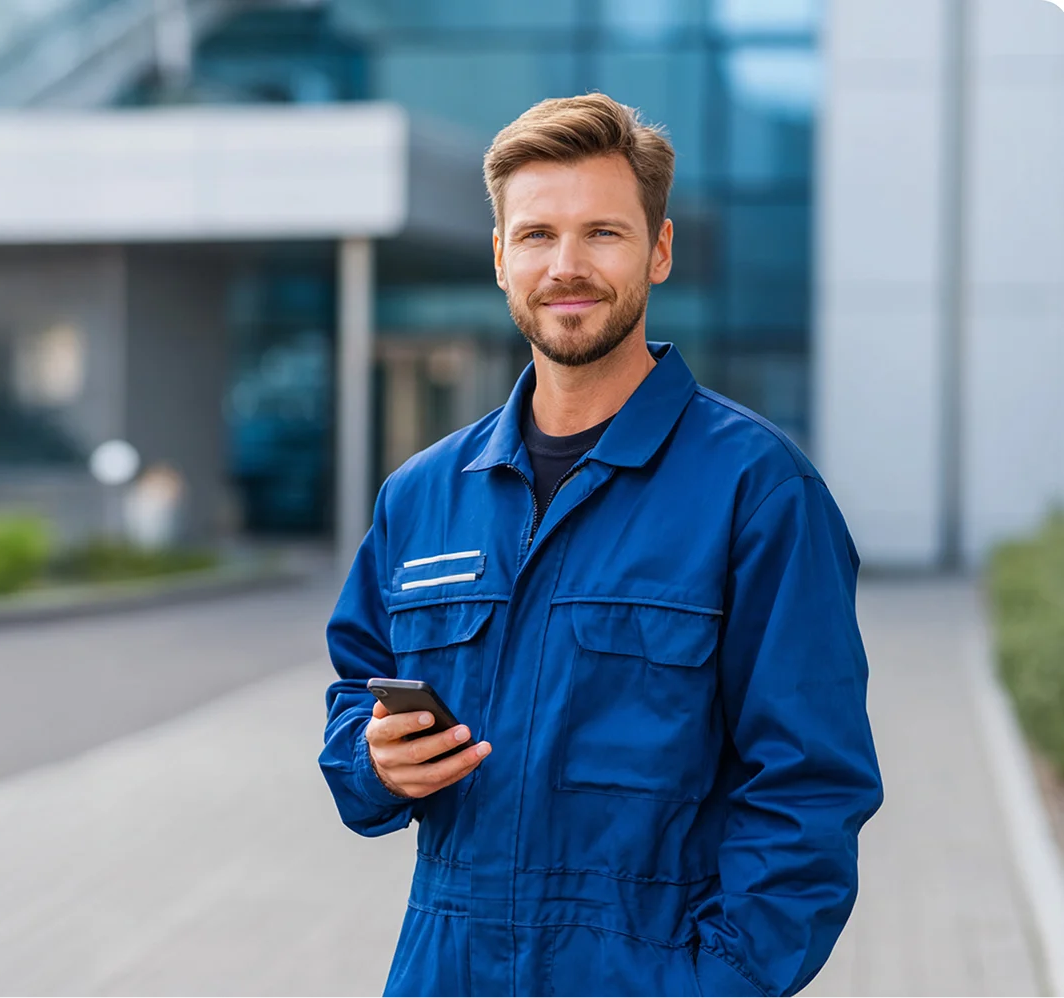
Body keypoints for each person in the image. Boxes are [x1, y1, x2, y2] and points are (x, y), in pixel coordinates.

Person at [318, 93, 882, 997]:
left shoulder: (756, 490)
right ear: (501, 257)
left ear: (658, 251)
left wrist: (720, 982)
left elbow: (810, 789)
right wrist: (372, 761)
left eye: (603, 234)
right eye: (536, 235)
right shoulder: (421, 497)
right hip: (443, 968)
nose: (566, 267)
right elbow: (355, 696)